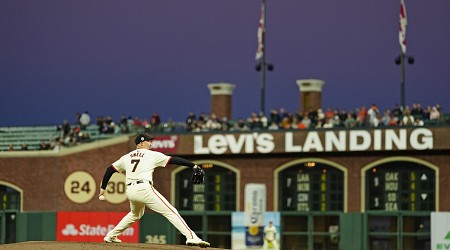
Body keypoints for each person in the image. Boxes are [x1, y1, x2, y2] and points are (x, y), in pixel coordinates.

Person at [98, 133, 210, 248]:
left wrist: (103, 188)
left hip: (130, 191)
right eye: (148, 141)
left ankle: (111, 235)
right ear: (141, 143)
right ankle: (191, 237)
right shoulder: (151, 155)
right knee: (171, 211)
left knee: (135, 214)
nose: (150, 143)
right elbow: (173, 160)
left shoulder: (127, 157)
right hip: (144, 188)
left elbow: (109, 169)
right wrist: (193, 166)